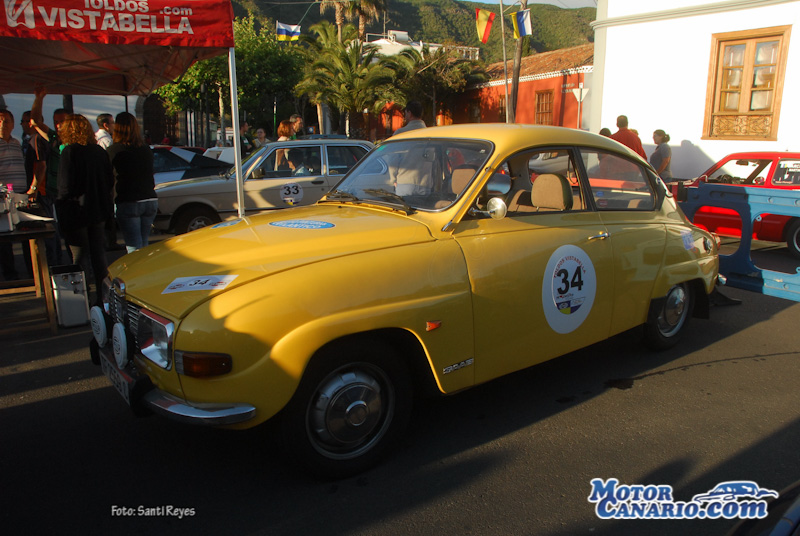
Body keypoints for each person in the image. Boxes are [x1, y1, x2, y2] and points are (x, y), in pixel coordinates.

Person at [56, 114, 114, 298]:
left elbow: (64, 186)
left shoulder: (70, 152)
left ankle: (81, 298)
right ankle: (103, 298)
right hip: (98, 210)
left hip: (77, 211)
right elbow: (109, 180)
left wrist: (61, 205)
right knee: (98, 256)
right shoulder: (99, 152)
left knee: (79, 257)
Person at [107, 112, 158, 253]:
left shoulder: (114, 150)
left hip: (128, 199)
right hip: (149, 198)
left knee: (133, 245)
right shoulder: (145, 149)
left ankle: (138, 268)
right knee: (144, 243)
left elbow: (108, 176)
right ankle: (146, 266)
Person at [31, 86, 69, 266]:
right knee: (56, 232)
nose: (58, 125)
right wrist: (39, 98)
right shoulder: (54, 138)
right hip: (56, 192)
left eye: (62, 122)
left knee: (71, 236)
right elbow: (36, 121)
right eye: (56, 122)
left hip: (71, 196)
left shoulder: (79, 142)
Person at [0, 109, 29, 280]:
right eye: (0, 121)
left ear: (12, 124)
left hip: (20, 195)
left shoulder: (17, 143)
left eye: (6, 121)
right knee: (5, 237)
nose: (3, 124)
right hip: (3, 197)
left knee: (26, 234)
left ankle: (32, 272)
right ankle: (11, 275)